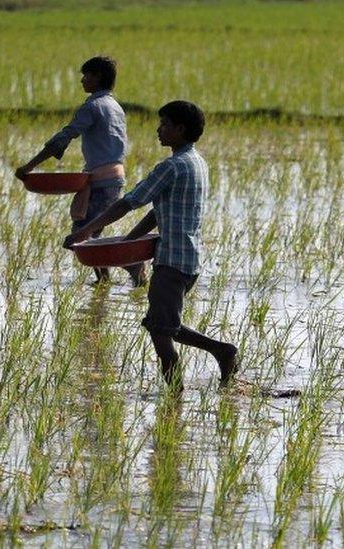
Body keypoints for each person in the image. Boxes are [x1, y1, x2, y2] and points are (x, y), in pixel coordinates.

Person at [63, 101, 238, 390]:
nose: (159, 130)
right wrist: (127, 241)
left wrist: (84, 232)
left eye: (165, 124)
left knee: (160, 330)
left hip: (171, 261)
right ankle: (210, 361)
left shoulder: (172, 166)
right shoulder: (197, 162)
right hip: (187, 259)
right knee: (165, 325)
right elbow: (159, 211)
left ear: (180, 129)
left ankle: (180, 391)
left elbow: (127, 202)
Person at [15, 56, 145, 286]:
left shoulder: (92, 106)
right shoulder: (115, 107)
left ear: (98, 77)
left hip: (103, 179)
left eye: (86, 75)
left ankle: (129, 265)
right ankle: (105, 279)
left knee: (83, 233)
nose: (82, 80)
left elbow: (65, 136)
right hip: (113, 177)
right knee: (90, 231)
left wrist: (30, 166)